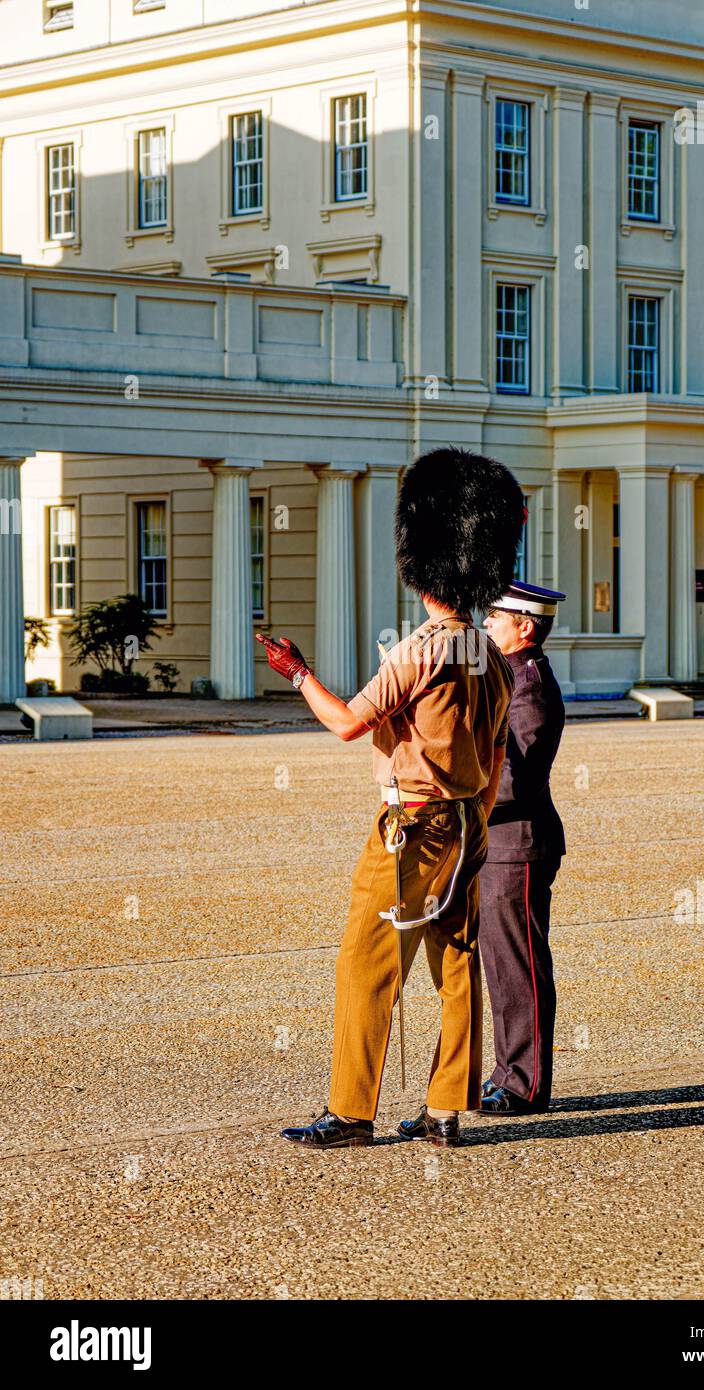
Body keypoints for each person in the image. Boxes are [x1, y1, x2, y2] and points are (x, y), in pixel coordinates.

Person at [262, 447, 524, 1149]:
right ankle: (444, 1108)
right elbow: (498, 752)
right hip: (470, 819)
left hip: (410, 824)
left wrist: (297, 674)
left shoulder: (419, 650)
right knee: (456, 959)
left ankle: (350, 1110)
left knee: (367, 961)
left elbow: (348, 722)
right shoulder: (492, 655)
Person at [477, 581, 566, 1116]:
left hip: (518, 847)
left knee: (519, 969)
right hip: (498, 846)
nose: (486, 623)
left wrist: (458, 795)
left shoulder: (527, 687)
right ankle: (505, 1074)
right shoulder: (504, 678)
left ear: (524, 627)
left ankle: (523, 1085)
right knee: (499, 966)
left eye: (495, 616)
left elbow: (516, 780)